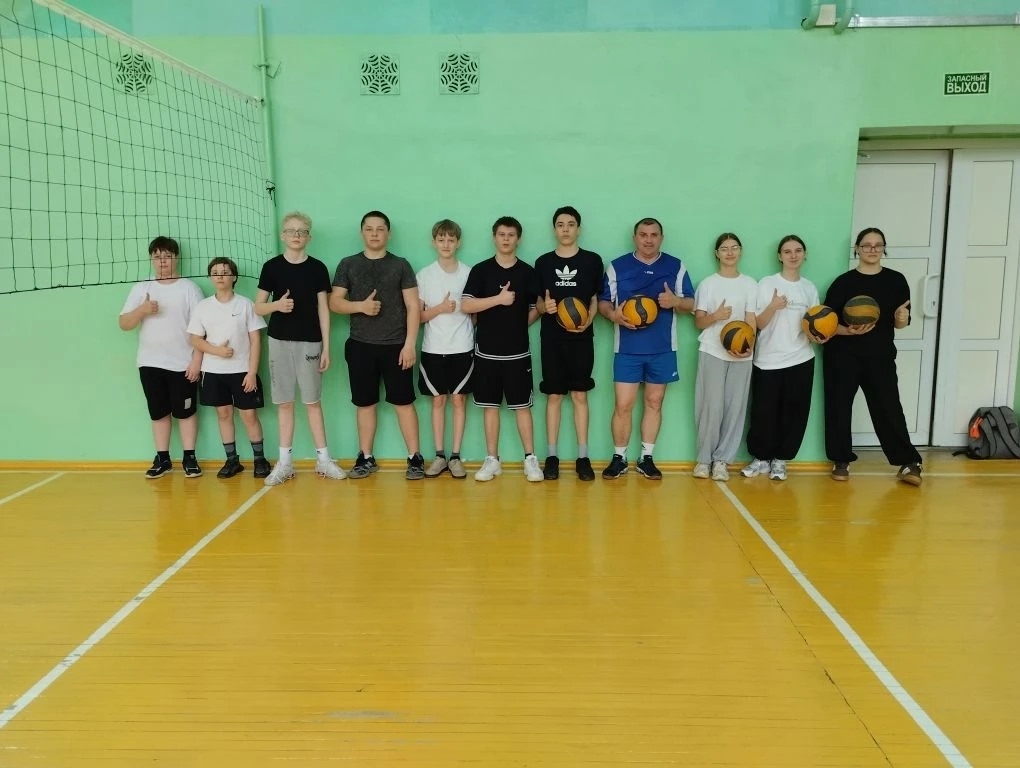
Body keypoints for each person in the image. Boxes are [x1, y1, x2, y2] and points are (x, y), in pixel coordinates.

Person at [823, 227, 922, 486]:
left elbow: (901, 322)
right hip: (842, 356)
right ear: (857, 248)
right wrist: (848, 330)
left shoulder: (896, 281)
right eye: (866, 245)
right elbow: (826, 324)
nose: (872, 249)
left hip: (879, 356)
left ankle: (908, 462)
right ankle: (841, 460)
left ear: (884, 249)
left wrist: (901, 318)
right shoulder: (842, 283)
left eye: (878, 245)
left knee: (888, 408)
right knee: (838, 407)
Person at [329, 211, 425, 480]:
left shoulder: (401, 265)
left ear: (388, 234)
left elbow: (413, 306)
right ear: (362, 233)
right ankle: (366, 457)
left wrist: (410, 344)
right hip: (360, 346)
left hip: (396, 347)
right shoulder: (348, 264)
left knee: (403, 403)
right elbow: (334, 302)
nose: (374, 233)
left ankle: (415, 458)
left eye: (380, 229)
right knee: (365, 403)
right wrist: (360, 306)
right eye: (369, 229)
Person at [597, 217, 695, 479]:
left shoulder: (676, 266)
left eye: (654, 235)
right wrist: (613, 315)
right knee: (623, 404)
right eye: (643, 234)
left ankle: (646, 458)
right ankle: (619, 458)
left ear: (661, 238)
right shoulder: (617, 266)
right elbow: (603, 302)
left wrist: (676, 301)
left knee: (654, 402)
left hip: (662, 347)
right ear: (635, 238)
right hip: (627, 348)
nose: (648, 240)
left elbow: (691, 303)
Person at [255, 212, 346, 485]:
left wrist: (326, 347)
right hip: (279, 341)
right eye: (291, 230)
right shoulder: (271, 267)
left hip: (310, 342)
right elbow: (257, 307)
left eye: (302, 231)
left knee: (312, 402)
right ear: (282, 235)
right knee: (284, 403)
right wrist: (277, 306)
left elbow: (324, 309)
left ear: (309, 236)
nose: (296, 235)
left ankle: (324, 460)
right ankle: (285, 463)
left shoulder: (317, 268)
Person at [460, 216, 543, 482]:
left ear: (518, 239)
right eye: (501, 234)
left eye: (511, 235)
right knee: (490, 406)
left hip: (518, 353)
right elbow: (466, 305)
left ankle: (530, 459)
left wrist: (517, 325)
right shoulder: (481, 270)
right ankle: (492, 460)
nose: (506, 239)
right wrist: (498, 299)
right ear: (494, 237)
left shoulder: (528, 272)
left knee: (522, 407)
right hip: (486, 352)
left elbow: (537, 308)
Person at [118, 236, 204, 479]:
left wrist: (197, 361)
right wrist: (142, 310)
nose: (162, 261)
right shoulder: (141, 288)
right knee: (158, 413)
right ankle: (163, 458)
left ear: (176, 258)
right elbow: (124, 323)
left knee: (185, 413)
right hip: (150, 363)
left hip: (183, 363)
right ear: (152, 259)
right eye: (157, 257)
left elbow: (201, 329)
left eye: (167, 256)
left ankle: (190, 457)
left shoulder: (190, 289)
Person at [741, 235, 821, 482]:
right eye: (787, 251)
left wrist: (818, 336)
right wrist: (773, 306)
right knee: (763, 412)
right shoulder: (767, 284)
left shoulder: (809, 288)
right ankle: (761, 458)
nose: (793, 255)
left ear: (804, 255)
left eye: (798, 250)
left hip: (801, 358)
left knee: (794, 413)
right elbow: (758, 324)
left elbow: (815, 324)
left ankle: (781, 460)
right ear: (780, 256)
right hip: (768, 359)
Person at [535, 206, 604, 481]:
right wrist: (546, 307)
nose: (565, 229)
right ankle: (551, 457)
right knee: (554, 396)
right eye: (560, 224)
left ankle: (583, 458)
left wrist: (589, 319)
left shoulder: (592, 261)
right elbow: (538, 303)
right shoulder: (543, 262)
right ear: (555, 229)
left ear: (578, 229)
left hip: (581, 338)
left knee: (579, 395)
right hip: (552, 338)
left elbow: (595, 299)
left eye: (571, 224)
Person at [188, 257, 269, 478]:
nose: (220, 276)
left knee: (249, 415)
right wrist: (217, 351)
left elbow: (256, 341)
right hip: (213, 372)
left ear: (234, 276)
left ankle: (260, 460)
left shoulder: (245, 304)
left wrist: (252, 373)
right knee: (223, 414)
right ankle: (232, 461)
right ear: (210, 277)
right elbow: (195, 340)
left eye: (224, 272)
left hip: (242, 371)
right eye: (215, 273)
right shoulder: (203, 307)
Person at [692, 233, 758, 481]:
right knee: (712, 406)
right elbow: (699, 322)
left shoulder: (750, 284)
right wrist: (716, 316)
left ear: (740, 251)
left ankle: (721, 461)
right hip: (712, 350)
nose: (730, 252)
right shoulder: (708, 284)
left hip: (741, 354)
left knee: (735, 408)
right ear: (717, 254)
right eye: (724, 248)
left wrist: (749, 346)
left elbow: (751, 320)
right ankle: (703, 460)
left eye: (734, 247)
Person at [416, 219, 474, 479]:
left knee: (459, 400)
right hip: (433, 348)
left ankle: (456, 457)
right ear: (434, 242)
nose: (446, 244)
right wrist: (440, 308)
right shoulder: (424, 275)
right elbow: (417, 317)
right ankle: (439, 456)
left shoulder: (469, 273)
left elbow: (474, 313)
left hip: (462, 347)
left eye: (451, 239)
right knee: (438, 400)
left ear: (458, 243)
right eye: (441, 239)